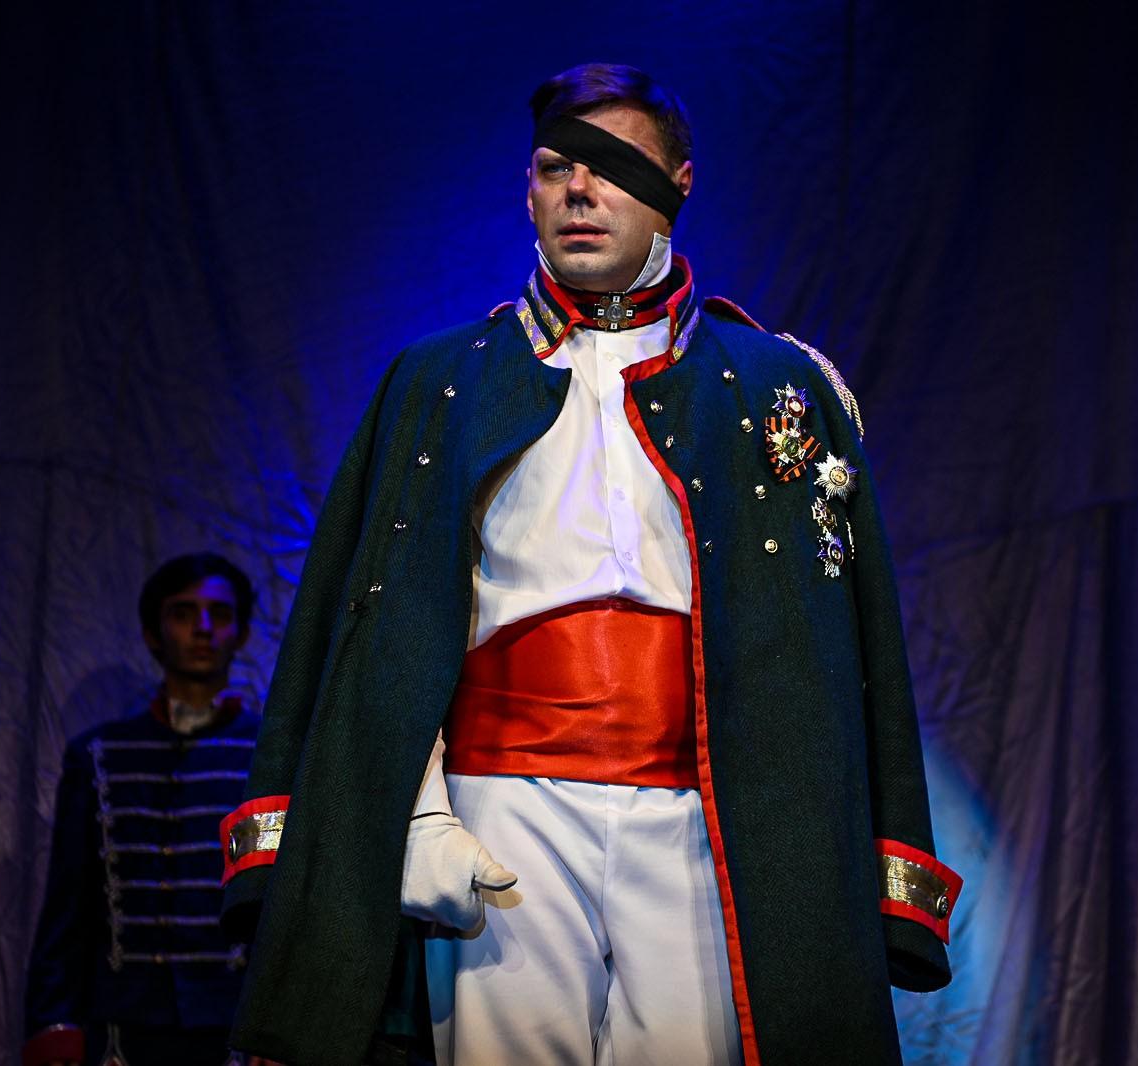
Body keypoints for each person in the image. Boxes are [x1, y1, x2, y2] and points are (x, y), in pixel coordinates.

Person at [220, 63, 962, 1066]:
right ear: (525, 190)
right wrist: (419, 811)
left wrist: (885, 856)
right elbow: (365, 628)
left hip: (714, 819)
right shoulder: (439, 380)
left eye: (612, 167)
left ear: (677, 184)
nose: (579, 190)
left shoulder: (779, 384)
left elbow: (859, 645)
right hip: (503, 808)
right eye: (553, 167)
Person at [24, 553, 266, 1066]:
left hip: (232, 1019)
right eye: (183, 613)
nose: (203, 628)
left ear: (242, 634)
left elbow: (277, 902)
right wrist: (53, 1020)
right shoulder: (98, 756)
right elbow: (68, 902)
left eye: (220, 614)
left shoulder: (267, 756)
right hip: (121, 1022)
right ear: (153, 634)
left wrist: (281, 1027)